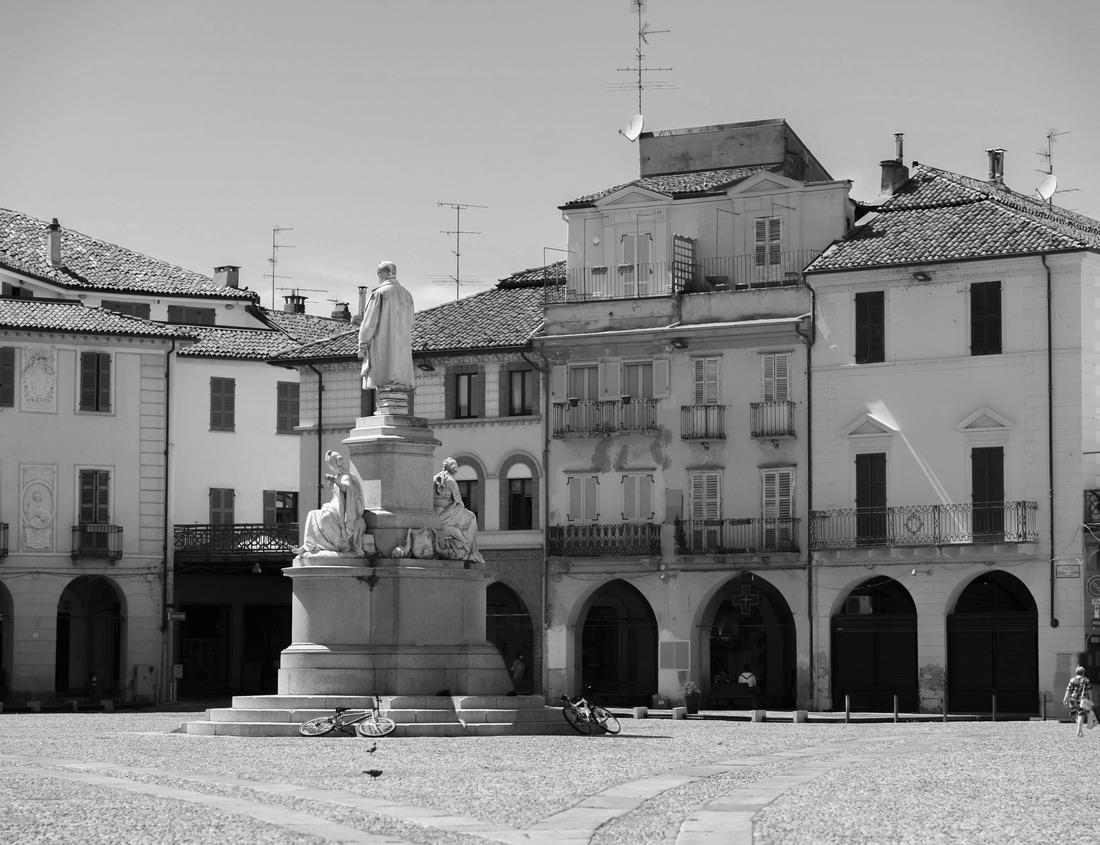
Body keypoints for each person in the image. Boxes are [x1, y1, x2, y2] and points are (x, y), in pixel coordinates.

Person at [295, 451, 368, 556]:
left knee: (326, 516)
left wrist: (334, 481)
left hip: (343, 508)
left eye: (331, 464)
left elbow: (347, 489)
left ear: (337, 463)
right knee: (312, 514)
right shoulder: (338, 476)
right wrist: (331, 483)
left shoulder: (346, 476)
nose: (331, 467)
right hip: (335, 505)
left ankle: (339, 544)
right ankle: (309, 545)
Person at [357, 260, 415, 391]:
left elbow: (369, 322)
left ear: (380, 274)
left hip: (382, 346)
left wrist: (362, 344)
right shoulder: (407, 295)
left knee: (384, 378)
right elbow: (411, 321)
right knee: (397, 378)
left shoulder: (379, 293)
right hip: (402, 349)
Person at [431, 457, 484, 563]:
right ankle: (469, 549)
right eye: (455, 472)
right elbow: (458, 501)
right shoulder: (451, 481)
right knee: (472, 516)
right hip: (446, 513)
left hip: (435, 512)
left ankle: (464, 546)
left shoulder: (435, 478)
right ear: (452, 470)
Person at [1064, 665, 1094, 737]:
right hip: (1082, 699)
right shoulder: (1086, 680)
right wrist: (1091, 700)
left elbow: (1068, 690)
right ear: (1083, 673)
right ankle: (1078, 731)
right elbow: (1089, 691)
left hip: (1073, 699)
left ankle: (1080, 731)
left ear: (1076, 672)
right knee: (1081, 715)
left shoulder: (1072, 680)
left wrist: (1065, 698)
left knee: (1078, 715)